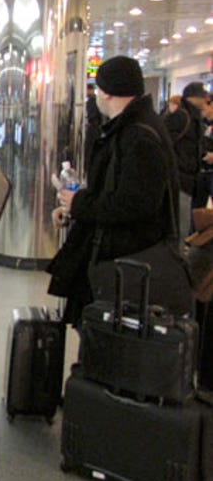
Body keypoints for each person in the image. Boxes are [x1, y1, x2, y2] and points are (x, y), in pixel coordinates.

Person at [47, 56, 177, 326]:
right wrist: (74, 205)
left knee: (106, 347)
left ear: (104, 91)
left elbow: (134, 204)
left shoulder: (138, 136)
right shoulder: (133, 129)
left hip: (122, 267)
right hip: (118, 261)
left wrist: (80, 203)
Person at [166, 82, 210, 226]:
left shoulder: (195, 118)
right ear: (192, 98)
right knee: (181, 223)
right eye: (203, 97)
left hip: (189, 179)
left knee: (187, 222)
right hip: (179, 179)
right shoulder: (182, 117)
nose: (206, 100)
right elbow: (165, 143)